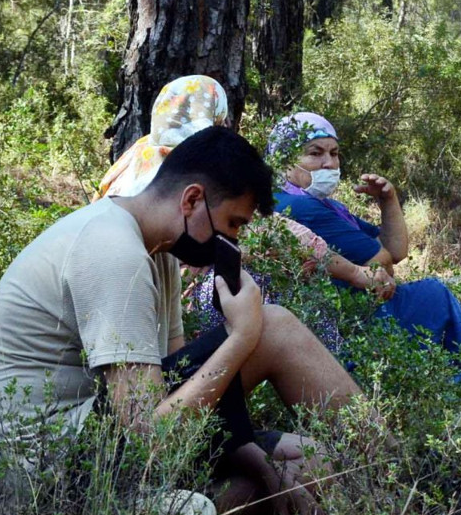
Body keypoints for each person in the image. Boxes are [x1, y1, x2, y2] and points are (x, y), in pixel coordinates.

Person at [0, 126, 360, 513]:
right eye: (233, 224)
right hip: (51, 472)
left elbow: (180, 388)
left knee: (305, 459)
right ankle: (404, 469)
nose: (234, 241)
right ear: (192, 199)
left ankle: (396, 481)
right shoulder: (114, 251)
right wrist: (243, 336)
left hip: (104, 438)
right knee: (272, 328)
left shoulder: (156, 249)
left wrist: (264, 466)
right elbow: (149, 436)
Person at [96, 76, 385, 351]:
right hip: (180, 309)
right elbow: (280, 235)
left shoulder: (133, 159)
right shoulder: (204, 171)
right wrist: (355, 273)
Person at [268, 112, 461, 359]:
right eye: (315, 153)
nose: (329, 163)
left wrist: (388, 200)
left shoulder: (326, 206)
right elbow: (383, 262)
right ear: (285, 160)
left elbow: (395, 251)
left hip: (341, 319)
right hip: (348, 323)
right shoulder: (300, 208)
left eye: (334, 154)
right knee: (434, 294)